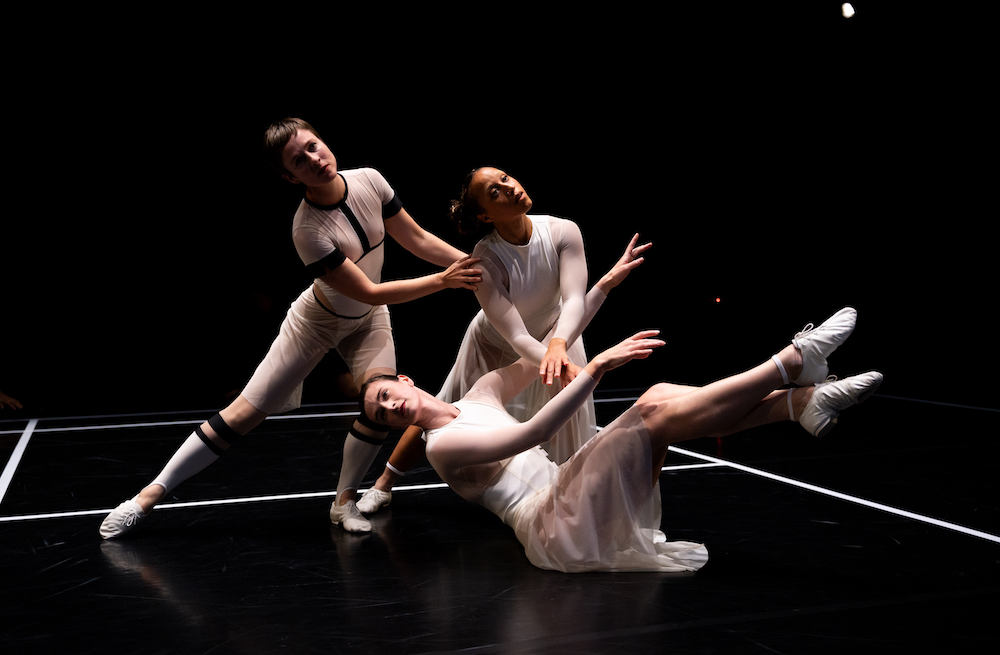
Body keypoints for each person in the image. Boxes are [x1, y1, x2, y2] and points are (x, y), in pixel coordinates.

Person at [99, 117, 482, 538]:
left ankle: (342, 502)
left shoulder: (371, 180)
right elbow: (371, 291)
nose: (315, 160)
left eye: (314, 146)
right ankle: (145, 497)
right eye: (300, 161)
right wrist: (444, 281)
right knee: (243, 415)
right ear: (289, 176)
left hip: (368, 320)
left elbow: (419, 239)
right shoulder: (307, 229)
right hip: (317, 322)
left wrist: (471, 263)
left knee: (377, 402)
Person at [360, 307, 882, 572]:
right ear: (393, 426)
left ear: (404, 381)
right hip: (552, 527)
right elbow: (534, 432)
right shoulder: (440, 447)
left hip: (570, 494)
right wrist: (600, 365)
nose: (389, 406)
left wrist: (602, 285)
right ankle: (793, 362)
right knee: (653, 408)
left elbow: (548, 348)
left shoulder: (480, 392)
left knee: (662, 403)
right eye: (382, 414)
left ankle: (798, 404)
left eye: (385, 394)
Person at [357, 167, 651, 515]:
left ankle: (557, 503)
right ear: (484, 215)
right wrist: (553, 352)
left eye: (506, 179)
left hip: (559, 334)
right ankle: (383, 485)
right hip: (495, 342)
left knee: (563, 419)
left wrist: (562, 342)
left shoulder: (562, 230)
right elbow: (516, 334)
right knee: (442, 407)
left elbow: (573, 300)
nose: (509, 188)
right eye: (494, 192)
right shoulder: (486, 259)